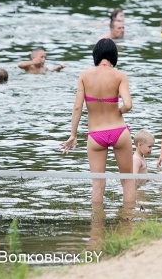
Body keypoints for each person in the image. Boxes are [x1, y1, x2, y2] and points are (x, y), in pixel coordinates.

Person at [60, 38, 135, 203]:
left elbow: (77, 108)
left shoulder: (84, 76)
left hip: (96, 135)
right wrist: (118, 112)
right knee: (128, 180)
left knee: (98, 183)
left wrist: (73, 134)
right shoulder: (120, 75)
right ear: (114, 56)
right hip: (119, 132)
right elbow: (128, 105)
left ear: (96, 55)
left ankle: (96, 226)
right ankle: (129, 223)